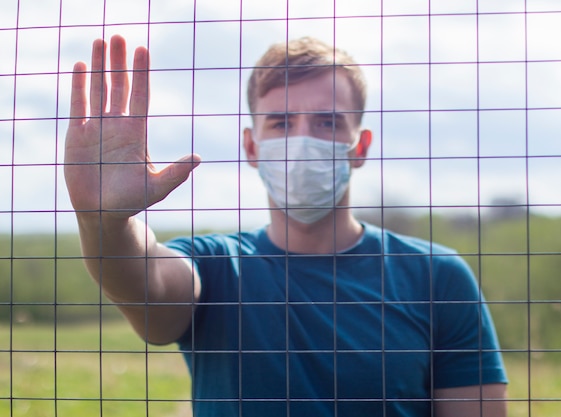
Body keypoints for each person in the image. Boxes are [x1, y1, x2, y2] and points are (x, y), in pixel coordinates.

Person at [64, 34, 508, 416]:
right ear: (251, 146)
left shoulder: (436, 276)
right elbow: (145, 279)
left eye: (327, 122)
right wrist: (103, 221)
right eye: (281, 122)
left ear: (361, 145)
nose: (303, 141)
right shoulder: (217, 267)